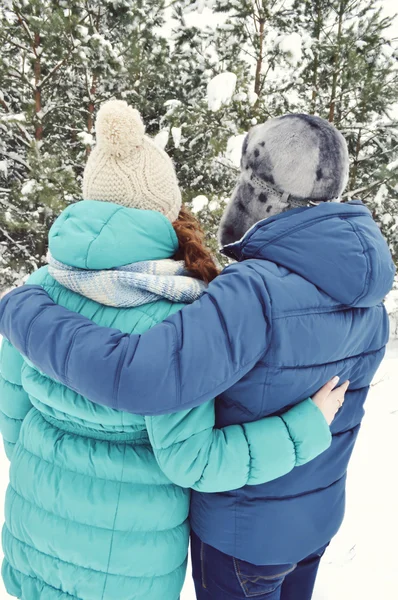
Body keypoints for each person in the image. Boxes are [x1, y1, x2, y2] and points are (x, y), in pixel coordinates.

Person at [0, 113, 394, 600]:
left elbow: (29, 408)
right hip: (301, 520)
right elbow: (193, 451)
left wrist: (22, 312)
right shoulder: (370, 293)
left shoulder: (242, 295)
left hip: (72, 522)